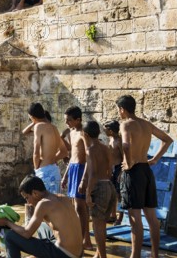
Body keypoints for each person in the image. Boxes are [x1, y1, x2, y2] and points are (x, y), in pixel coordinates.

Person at [116, 95, 173, 258]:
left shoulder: (126, 124)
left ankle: (135, 256)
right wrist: (154, 159)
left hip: (133, 172)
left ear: (122, 109)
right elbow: (167, 140)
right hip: (146, 171)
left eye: (118, 110)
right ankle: (154, 255)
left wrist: (128, 162)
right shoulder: (146, 124)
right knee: (152, 217)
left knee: (135, 219)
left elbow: (126, 144)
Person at [0, 175, 83, 258]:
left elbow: (27, 233)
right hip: (79, 253)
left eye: (27, 198)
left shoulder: (43, 204)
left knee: (10, 236)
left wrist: (6, 222)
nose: (28, 202)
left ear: (35, 193)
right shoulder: (63, 197)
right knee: (42, 227)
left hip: (64, 255)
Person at [61, 106, 93, 251]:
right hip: (73, 168)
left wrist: (84, 178)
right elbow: (72, 155)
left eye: (69, 120)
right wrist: (65, 175)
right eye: (65, 120)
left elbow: (89, 155)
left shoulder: (83, 133)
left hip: (81, 169)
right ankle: (81, 238)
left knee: (81, 207)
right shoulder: (72, 132)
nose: (67, 123)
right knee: (76, 207)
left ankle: (86, 240)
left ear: (78, 119)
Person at [83, 120, 116, 258]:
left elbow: (93, 174)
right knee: (102, 224)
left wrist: (88, 193)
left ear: (85, 135)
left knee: (97, 227)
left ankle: (102, 256)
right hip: (109, 186)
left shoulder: (91, 150)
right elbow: (111, 168)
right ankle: (99, 254)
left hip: (99, 187)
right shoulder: (106, 147)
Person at [22, 103, 68, 194]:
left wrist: (37, 169)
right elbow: (64, 152)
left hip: (44, 171)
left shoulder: (39, 126)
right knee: (55, 203)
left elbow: (36, 152)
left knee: (43, 202)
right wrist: (52, 159)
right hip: (55, 170)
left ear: (32, 116)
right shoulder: (54, 128)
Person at [104, 119, 123, 225]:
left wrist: (121, 172)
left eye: (106, 129)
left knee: (119, 194)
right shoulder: (110, 140)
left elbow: (125, 157)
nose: (104, 132)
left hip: (118, 168)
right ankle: (112, 215)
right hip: (111, 168)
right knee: (112, 193)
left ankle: (120, 217)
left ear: (111, 130)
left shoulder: (119, 141)